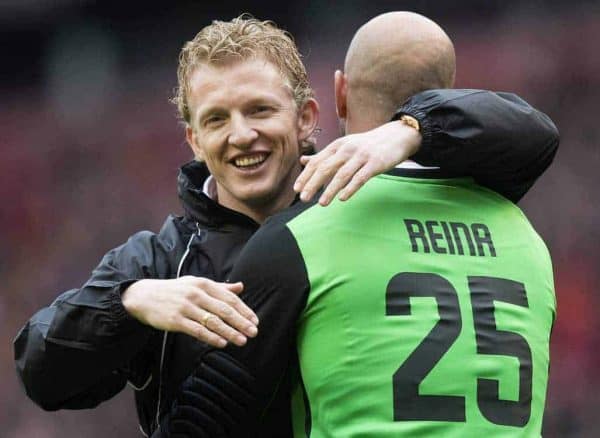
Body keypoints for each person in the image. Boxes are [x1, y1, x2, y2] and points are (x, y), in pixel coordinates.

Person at [13, 15, 558, 437]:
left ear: (307, 118)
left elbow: (530, 134)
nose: (241, 135)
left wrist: (410, 131)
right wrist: (130, 302)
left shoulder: (365, 212)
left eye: (260, 111)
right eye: (216, 120)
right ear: (193, 141)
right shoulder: (161, 262)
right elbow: (40, 368)